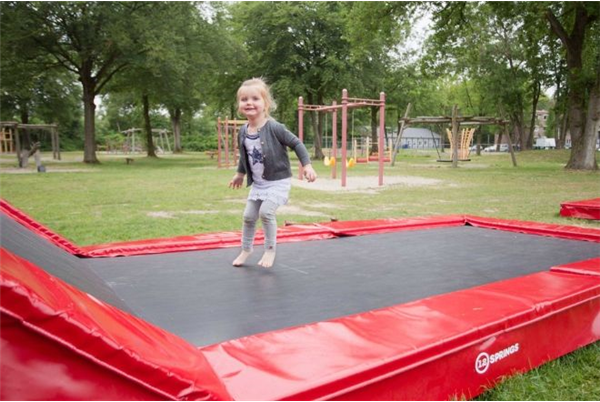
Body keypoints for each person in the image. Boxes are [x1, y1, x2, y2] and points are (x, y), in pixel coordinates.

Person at [229, 78, 317, 268]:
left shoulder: (275, 128)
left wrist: (307, 165)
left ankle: (270, 250)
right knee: (248, 217)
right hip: (259, 184)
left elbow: (296, 143)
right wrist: (240, 174)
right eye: (244, 99)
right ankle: (246, 249)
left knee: (266, 212)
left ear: (265, 104)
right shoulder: (243, 131)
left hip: (278, 182)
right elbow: (245, 156)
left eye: (255, 99)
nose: (249, 103)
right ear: (239, 105)